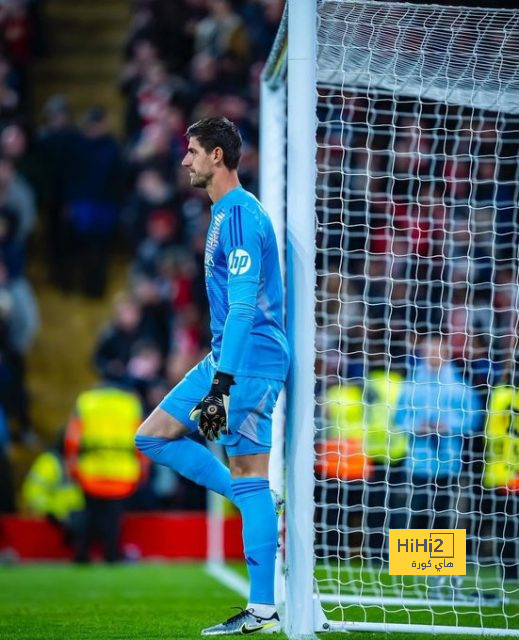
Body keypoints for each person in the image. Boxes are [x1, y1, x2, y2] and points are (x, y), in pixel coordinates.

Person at [135, 116, 289, 635]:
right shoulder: (225, 214)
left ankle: (263, 611)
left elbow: (245, 307)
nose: (185, 160)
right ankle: (257, 504)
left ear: (217, 157)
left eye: (193, 151)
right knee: (152, 437)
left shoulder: (243, 215)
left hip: (247, 362)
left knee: (249, 475)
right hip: (227, 356)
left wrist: (223, 384)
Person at [65, 383, 145, 563]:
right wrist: (143, 467)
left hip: (91, 470)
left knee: (89, 514)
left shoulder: (86, 401)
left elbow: (73, 436)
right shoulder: (131, 403)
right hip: (122, 472)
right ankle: (111, 555)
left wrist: (71, 463)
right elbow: (142, 436)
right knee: (113, 517)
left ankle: (82, 554)